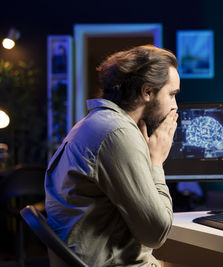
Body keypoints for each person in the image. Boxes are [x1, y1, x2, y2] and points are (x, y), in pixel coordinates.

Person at [45, 45, 180, 266]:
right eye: (172, 95)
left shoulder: (94, 123)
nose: (175, 106)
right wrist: (156, 162)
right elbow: (157, 233)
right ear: (147, 92)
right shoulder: (118, 133)